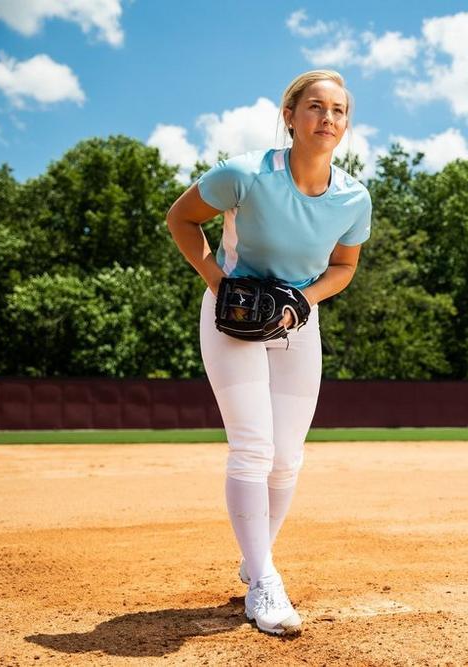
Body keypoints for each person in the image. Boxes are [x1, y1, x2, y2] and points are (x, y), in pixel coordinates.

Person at [165, 69, 371, 635]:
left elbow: (344, 266)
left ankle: (255, 559)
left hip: (297, 322)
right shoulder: (245, 174)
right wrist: (217, 282)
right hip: (233, 320)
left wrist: (304, 300)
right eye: (316, 106)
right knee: (253, 448)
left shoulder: (353, 197)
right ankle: (263, 583)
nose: (328, 118)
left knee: (287, 457)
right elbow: (181, 218)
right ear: (290, 116)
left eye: (338, 110)